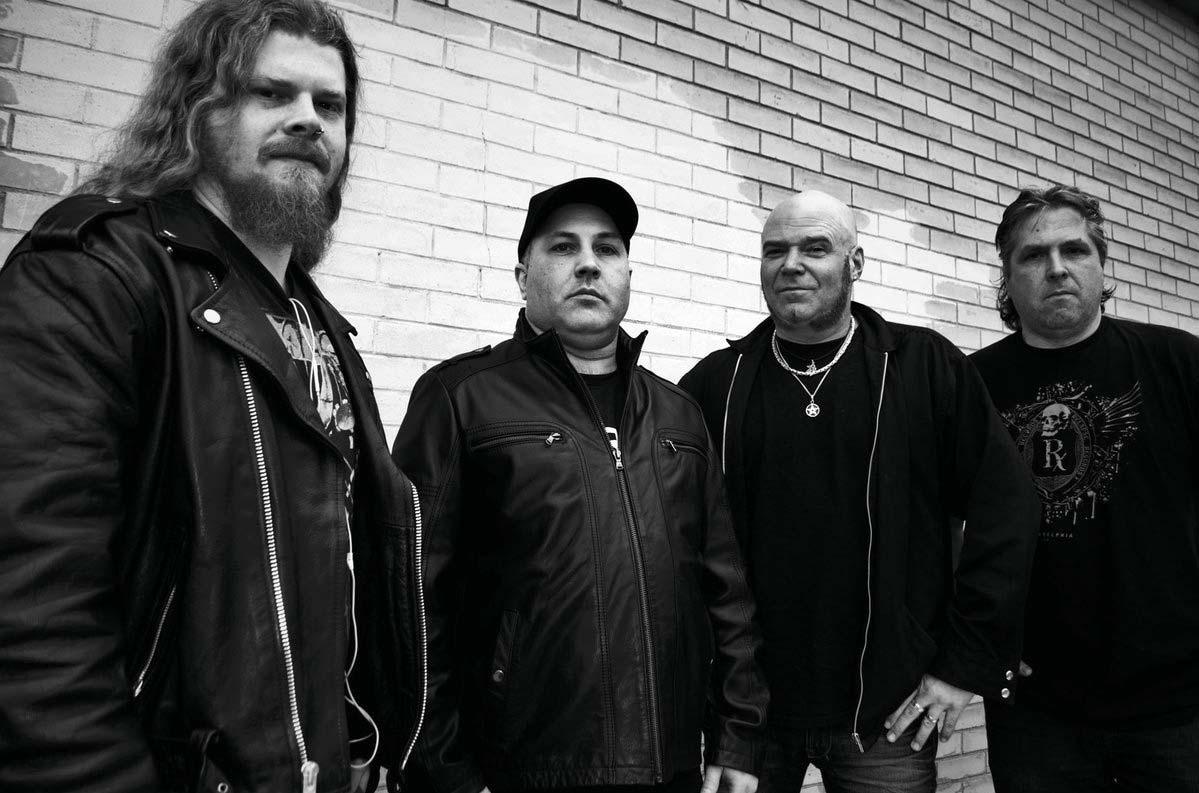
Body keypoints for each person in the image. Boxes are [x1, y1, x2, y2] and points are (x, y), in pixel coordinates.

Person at [0, 1, 424, 791]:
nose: (309, 119)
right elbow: (30, 607)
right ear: (198, 110)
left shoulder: (324, 329)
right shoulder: (97, 274)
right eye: (273, 93)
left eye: (330, 105)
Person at [391, 177, 767, 793]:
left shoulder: (678, 416)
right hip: (519, 772)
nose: (589, 264)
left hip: (672, 770)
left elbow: (727, 593)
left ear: (627, 274)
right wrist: (445, 772)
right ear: (523, 278)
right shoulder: (460, 398)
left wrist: (738, 738)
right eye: (564, 247)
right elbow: (410, 600)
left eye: (607, 248)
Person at [679, 190, 1039, 793]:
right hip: (752, 718)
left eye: (815, 248)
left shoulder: (922, 367)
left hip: (885, 716)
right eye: (775, 251)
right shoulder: (720, 381)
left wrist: (961, 663)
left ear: (856, 263)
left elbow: (1007, 507)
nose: (791, 264)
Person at [971, 185, 1199, 792]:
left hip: (1176, 703)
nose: (1056, 268)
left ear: (1101, 264)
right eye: (1032, 255)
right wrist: (979, 639)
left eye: (1074, 250)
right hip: (1035, 706)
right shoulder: (971, 385)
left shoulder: (1177, 361)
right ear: (1007, 277)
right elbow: (937, 521)